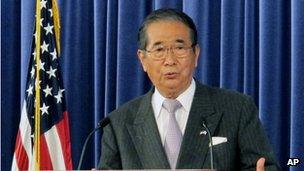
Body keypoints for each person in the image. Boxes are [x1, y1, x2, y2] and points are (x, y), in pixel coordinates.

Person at [98, 8, 280, 170]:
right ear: (143, 59)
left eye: (179, 48)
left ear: (196, 54)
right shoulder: (118, 124)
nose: (170, 60)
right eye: (159, 50)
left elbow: (266, 166)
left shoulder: (237, 108)